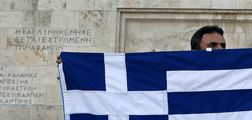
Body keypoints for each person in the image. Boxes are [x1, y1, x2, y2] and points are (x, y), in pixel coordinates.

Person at [56, 25, 226, 64]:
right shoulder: (178, 69)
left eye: (222, 46)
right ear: (196, 49)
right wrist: (72, 65)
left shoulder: (240, 72)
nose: (220, 49)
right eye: (213, 45)